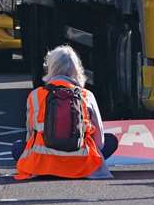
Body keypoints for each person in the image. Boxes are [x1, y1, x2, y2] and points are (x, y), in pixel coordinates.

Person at [13, 45, 118, 180]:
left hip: (41, 164)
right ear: (77, 69)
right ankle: (75, 168)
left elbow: (30, 136)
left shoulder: (35, 95)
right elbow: (100, 141)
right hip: (81, 165)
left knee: (17, 147)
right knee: (111, 140)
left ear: (50, 67)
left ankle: (48, 168)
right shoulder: (86, 95)